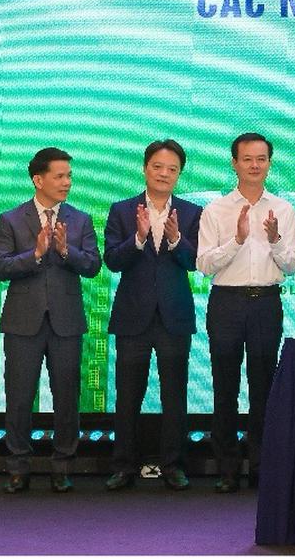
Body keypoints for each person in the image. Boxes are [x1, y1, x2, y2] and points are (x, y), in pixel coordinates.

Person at [0, 146, 101, 493]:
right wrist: (36, 254)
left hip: (66, 323)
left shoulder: (80, 219)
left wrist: (66, 250)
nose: (67, 182)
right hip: (23, 323)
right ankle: (18, 467)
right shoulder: (11, 219)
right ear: (38, 180)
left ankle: (62, 466)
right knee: (19, 397)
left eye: (69, 176)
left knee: (67, 396)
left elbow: (93, 265)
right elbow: (0, 267)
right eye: (60, 176)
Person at [196, 132, 295, 493]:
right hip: (226, 302)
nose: (255, 165)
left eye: (261, 159)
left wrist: (274, 240)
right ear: (234, 163)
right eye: (247, 159)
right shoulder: (216, 209)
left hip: (266, 303)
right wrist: (237, 240)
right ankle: (226, 468)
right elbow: (204, 265)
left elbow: (291, 266)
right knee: (224, 387)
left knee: (264, 387)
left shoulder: (283, 210)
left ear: (269, 163)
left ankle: (261, 466)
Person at [103, 140, 201, 492]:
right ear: (145, 169)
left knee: (175, 395)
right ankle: (123, 466)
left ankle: (174, 465)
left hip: (174, 316)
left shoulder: (191, 213)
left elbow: (195, 262)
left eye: (172, 169)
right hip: (133, 317)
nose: (164, 174)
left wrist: (175, 241)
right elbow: (112, 260)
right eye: (158, 167)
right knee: (128, 395)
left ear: (179, 174)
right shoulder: (122, 210)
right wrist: (139, 238)